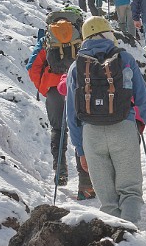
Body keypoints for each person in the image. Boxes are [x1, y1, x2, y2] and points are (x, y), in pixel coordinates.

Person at [65, 17, 146, 223]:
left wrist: (80, 149)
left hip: (92, 135)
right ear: (109, 34)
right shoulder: (125, 59)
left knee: (108, 201)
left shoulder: (76, 67)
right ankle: (131, 238)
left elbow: (71, 113)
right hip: (123, 129)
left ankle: (117, 244)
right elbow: (143, 99)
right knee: (130, 192)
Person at [25, 17, 95, 200]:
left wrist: (46, 87)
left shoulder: (47, 39)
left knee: (58, 129)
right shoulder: (78, 35)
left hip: (54, 90)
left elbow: (33, 67)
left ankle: (60, 173)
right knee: (80, 128)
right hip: (78, 86)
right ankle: (86, 184)